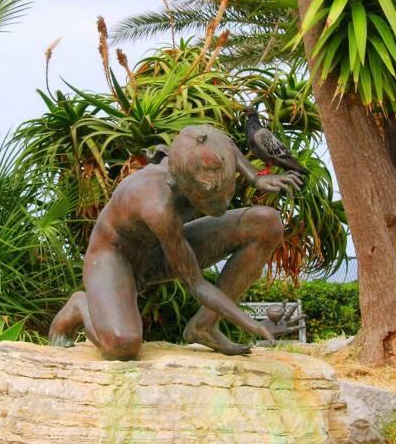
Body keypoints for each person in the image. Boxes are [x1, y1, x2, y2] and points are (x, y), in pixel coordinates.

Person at [48, 124, 303, 360]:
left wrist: (256, 177)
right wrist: (254, 325)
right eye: (212, 198)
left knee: (267, 223)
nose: (224, 203)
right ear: (181, 186)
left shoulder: (200, 149)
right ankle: (80, 305)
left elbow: (227, 148)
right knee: (122, 346)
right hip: (115, 258)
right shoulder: (158, 205)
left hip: (159, 250)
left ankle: (204, 326)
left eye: (227, 193)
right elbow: (197, 284)